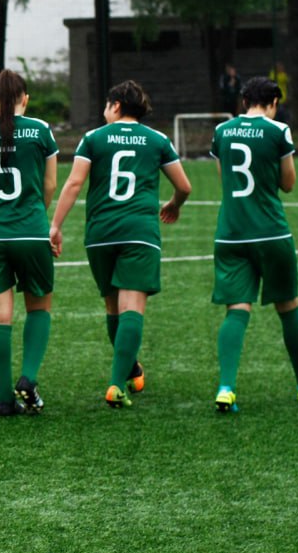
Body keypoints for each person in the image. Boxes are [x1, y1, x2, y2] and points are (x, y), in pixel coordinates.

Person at [50, 80, 192, 408]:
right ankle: (116, 384)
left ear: (116, 106)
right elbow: (184, 186)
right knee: (132, 308)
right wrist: (174, 204)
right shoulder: (157, 140)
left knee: (112, 307)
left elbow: (74, 183)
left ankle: (130, 369)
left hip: (100, 233)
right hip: (139, 232)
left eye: (106, 105)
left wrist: (55, 225)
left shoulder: (93, 138)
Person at [208, 76, 298, 412]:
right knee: (288, 308)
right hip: (270, 232)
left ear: (244, 102)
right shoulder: (279, 131)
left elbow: (224, 178)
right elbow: (288, 183)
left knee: (236, 310)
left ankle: (226, 387)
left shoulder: (222, 131)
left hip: (230, 233)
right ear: (273, 103)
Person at [0, 70, 59, 416]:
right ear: (25, 99)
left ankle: (5, 400)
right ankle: (28, 378)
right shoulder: (41, 130)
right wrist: (35, 217)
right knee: (39, 307)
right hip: (30, 229)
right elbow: (50, 185)